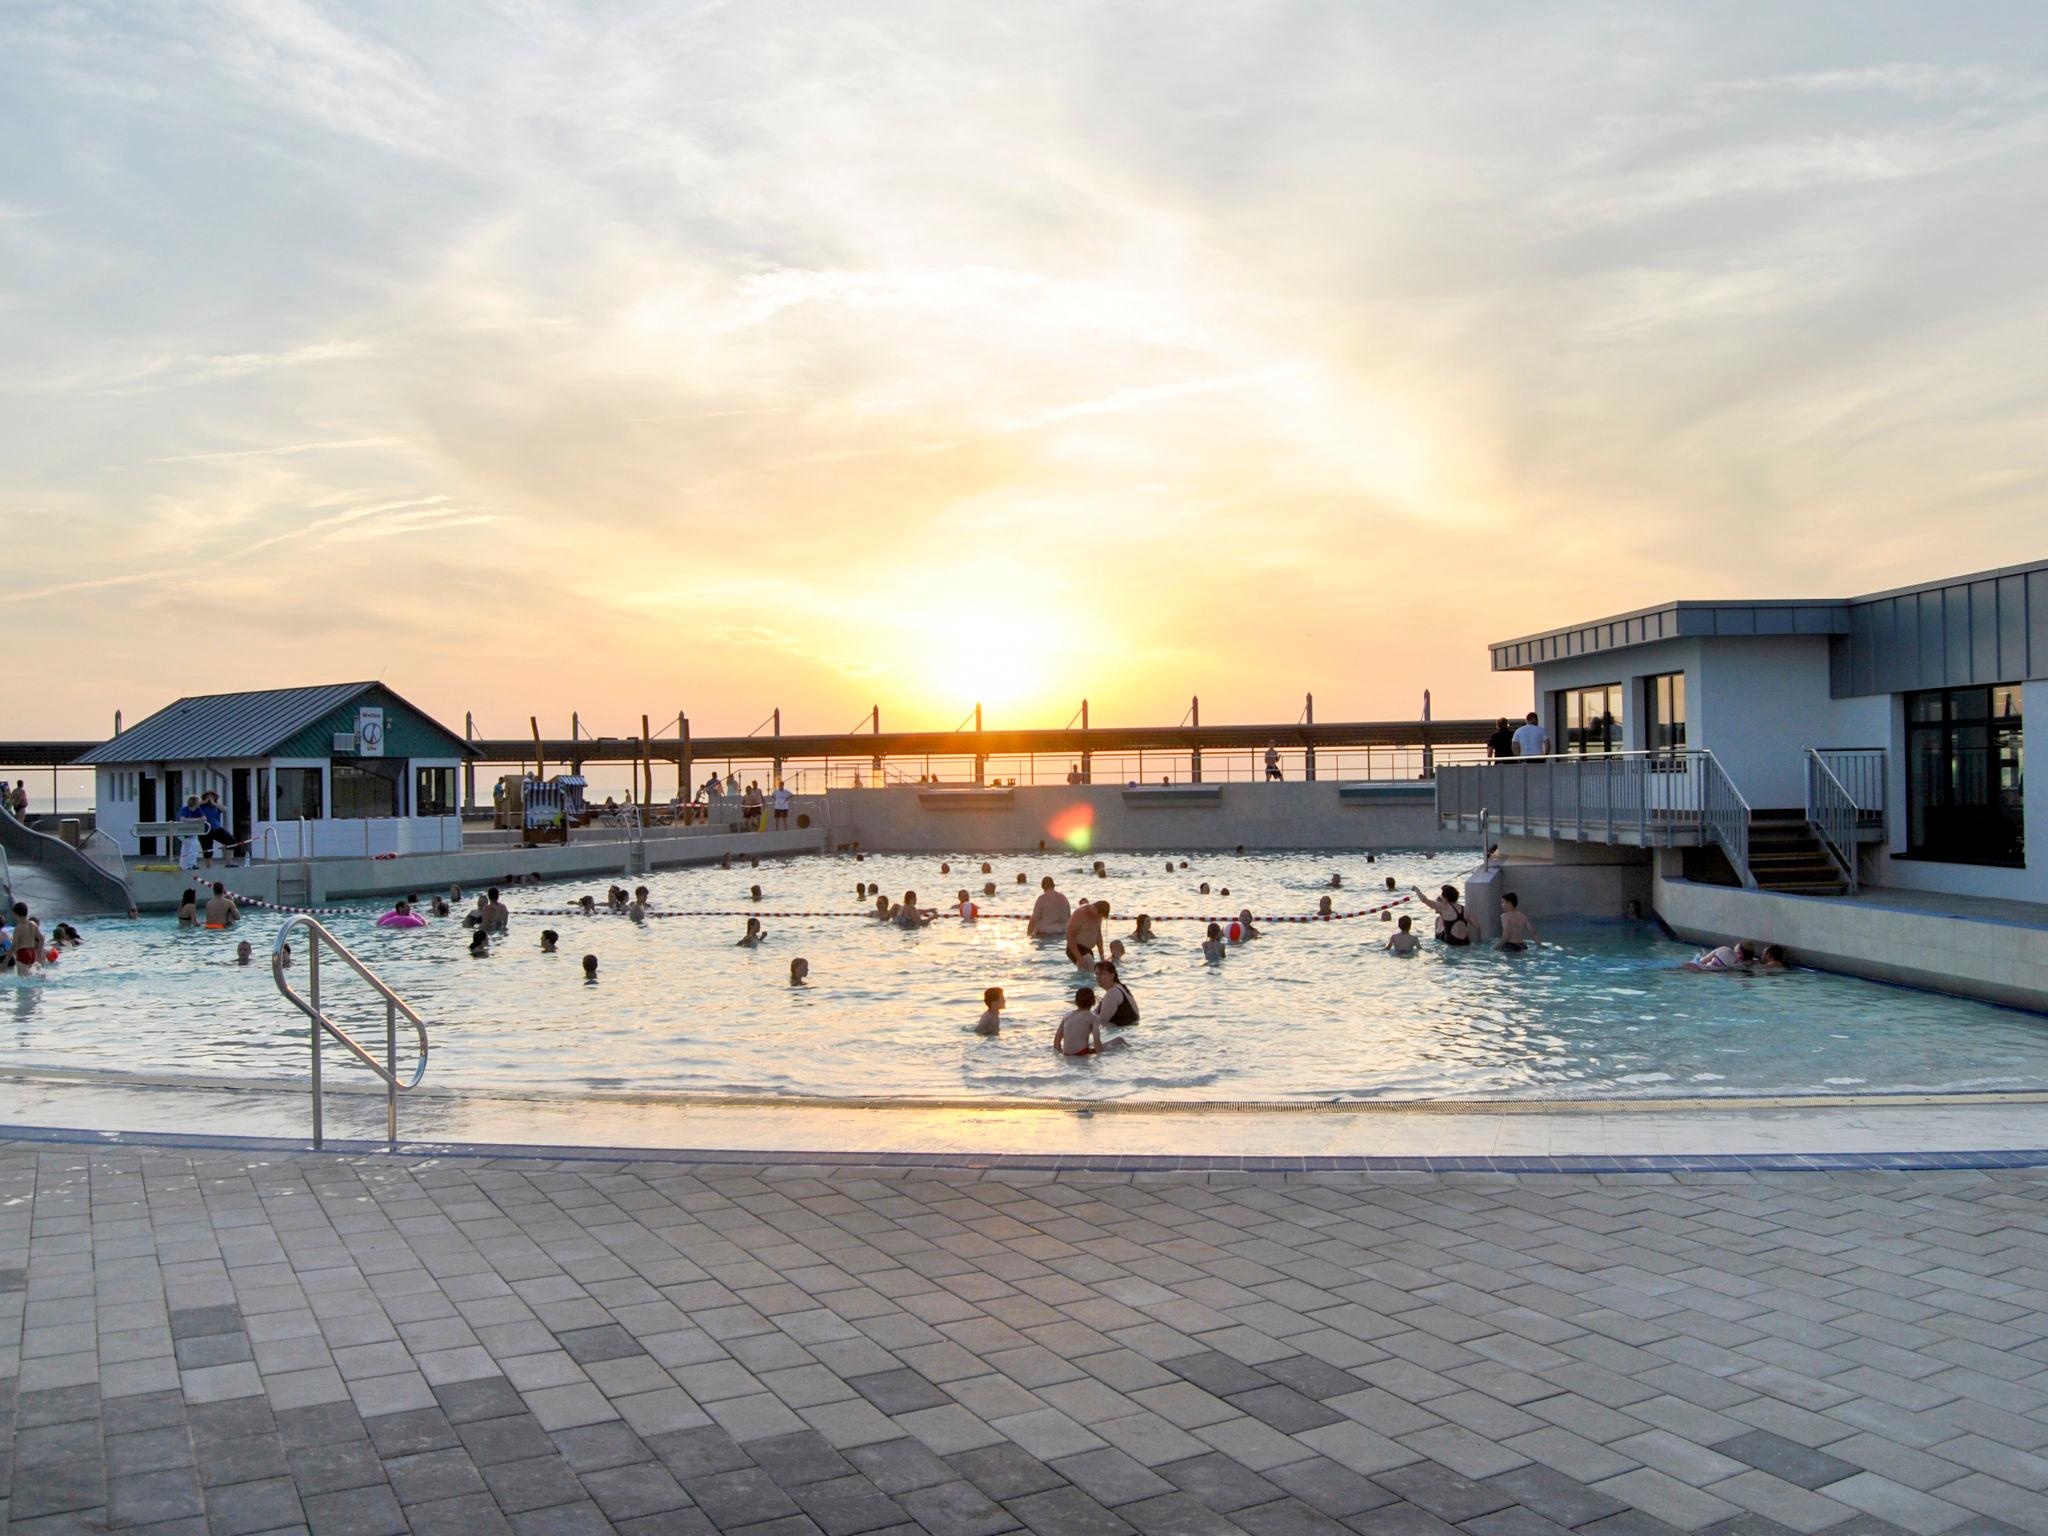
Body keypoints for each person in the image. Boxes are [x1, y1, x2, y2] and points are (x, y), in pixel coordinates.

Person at [1054, 989, 1104, 1056]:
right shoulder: (1092, 1017)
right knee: (1119, 1040)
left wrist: (1063, 1054)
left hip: (1066, 1053)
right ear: (1093, 1002)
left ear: (1076, 1002)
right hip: (1082, 1052)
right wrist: (1101, 1055)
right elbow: (1097, 1041)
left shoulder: (1067, 1015)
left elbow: (1056, 1042)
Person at [1065, 899, 1110, 969]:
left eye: (1100, 917)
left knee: (1089, 974)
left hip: (1088, 950)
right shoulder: (1079, 913)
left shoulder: (1098, 916)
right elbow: (1069, 936)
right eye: (1098, 915)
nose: (1098, 918)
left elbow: (1098, 935)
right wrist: (1079, 958)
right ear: (1094, 909)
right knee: (1091, 973)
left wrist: (1102, 957)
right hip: (1076, 948)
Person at [195, 790, 233, 868]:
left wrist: (213, 803)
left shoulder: (216, 806)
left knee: (231, 841)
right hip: (204, 830)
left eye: (212, 796)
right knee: (207, 849)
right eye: (208, 796)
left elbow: (224, 809)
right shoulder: (201, 806)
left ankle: (228, 862)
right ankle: (208, 867)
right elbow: (194, 806)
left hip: (216, 829)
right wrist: (204, 801)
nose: (210, 798)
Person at [1093, 962, 1138, 1027]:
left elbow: (1101, 1022)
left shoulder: (1113, 993)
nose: (1098, 977)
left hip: (1121, 1033)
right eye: (1096, 974)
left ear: (1112, 975)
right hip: (1127, 1031)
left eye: (1102, 973)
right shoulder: (1119, 987)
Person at [1687, 940, 1755, 971]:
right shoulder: (1746, 965)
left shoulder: (1724, 950)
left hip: (1701, 968)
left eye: (1735, 949)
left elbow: (1703, 960)